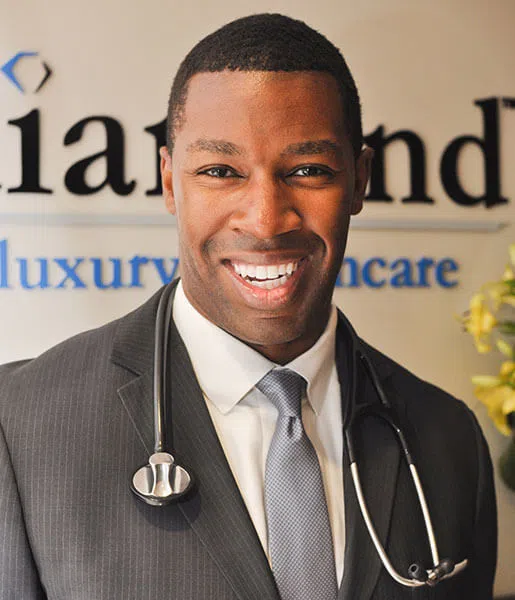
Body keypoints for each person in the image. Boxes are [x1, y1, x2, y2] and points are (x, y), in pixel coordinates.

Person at [0, 13, 497, 600]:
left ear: (360, 180)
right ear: (170, 182)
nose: (266, 220)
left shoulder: (447, 438)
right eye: (220, 171)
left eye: (308, 171)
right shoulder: (19, 425)